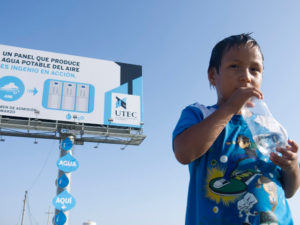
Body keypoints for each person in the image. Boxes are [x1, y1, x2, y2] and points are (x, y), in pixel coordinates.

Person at [172, 33, 300, 225]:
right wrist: (230, 108)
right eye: (234, 66)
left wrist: (291, 167)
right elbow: (184, 152)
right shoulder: (199, 114)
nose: (246, 77)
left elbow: (289, 190)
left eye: (255, 69)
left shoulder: (270, 126)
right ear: (213, 76)